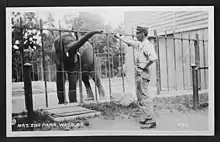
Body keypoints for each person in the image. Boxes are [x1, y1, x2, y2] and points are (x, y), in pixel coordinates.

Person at [114, 26, 158, 129]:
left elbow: (153, 58)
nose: (136, 35)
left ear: (143, 34)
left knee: (145, 97)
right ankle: (145, 117)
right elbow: (129, 42)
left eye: (138, 33)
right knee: (140, 97)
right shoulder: (140, 45)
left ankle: (151, 120)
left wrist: (144, 66)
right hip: (139, 74)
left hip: (143, 74)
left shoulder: (147, 45)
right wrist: (118, 37)